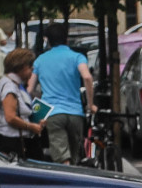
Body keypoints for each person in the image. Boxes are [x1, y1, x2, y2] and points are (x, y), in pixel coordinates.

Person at [29, 22, 96, 166]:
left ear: (47, 40)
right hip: (75, 112)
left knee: (62, 156)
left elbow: (30, 89)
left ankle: (67, 181)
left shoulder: (40, 60)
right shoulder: (77, 57)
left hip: (52, 113)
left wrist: (40, 99)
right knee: (74, 154)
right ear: (66, 39)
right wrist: (91, 104)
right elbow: (87, 77)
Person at [0, 48, 47, 160]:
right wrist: (31, 126)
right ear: (20, 67)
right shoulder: (9, 87)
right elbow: (10, 117)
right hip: (11, 142)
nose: (32, 69)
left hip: (12, 140)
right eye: (29, 66)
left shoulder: (12, 84)